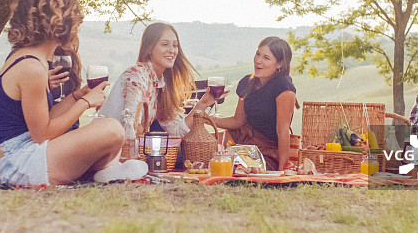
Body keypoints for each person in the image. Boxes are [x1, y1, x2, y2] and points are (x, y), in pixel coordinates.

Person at [0, 0, 146, 185]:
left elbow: (44, 120)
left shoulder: (32, 59)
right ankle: (107, 171)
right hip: (17, 164)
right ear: (61, 21)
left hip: (22, 156)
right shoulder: (31, 67)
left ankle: (106, 171)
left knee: (111, 135)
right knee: (112, 129)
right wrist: (85, 103)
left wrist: (75, 97)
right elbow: (42, 134)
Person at [99, 22, 218, 135]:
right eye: (164, 44)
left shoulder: (160, 84)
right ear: (149, 48)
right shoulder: (137, 75)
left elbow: (176, 131)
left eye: (175, 45)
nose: (172, 50)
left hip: (125, 147)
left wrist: (202, 104)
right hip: (103, 145)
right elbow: (130, 125)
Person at [206, 37, 297, 171]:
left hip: (266, 151)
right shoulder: (247, 82)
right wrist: (208, 119)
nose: (258, 61)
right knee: (202, 147)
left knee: (243, 170)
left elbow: (282, 131)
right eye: (258, 54)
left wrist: (283, 170)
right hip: (239, 140)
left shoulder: (283, 87)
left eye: (266, 58)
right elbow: (238, 121)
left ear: (279, 63)